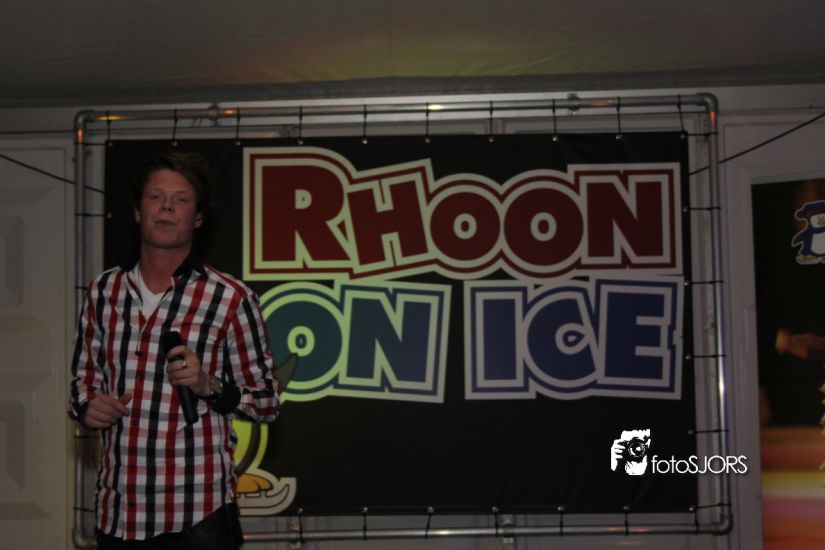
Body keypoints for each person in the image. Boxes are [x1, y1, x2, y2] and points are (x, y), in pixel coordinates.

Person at [68, 150, 279, 549]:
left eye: (181, 199)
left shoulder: (231, 299)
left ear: (198, 218)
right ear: (137, 211)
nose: (166, 207)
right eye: (155, 197)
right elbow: (83, 382)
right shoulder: (103, 291)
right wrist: (88, 406)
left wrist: (206, 384)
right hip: (118, 513)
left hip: (198, 517)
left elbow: (266, 403)